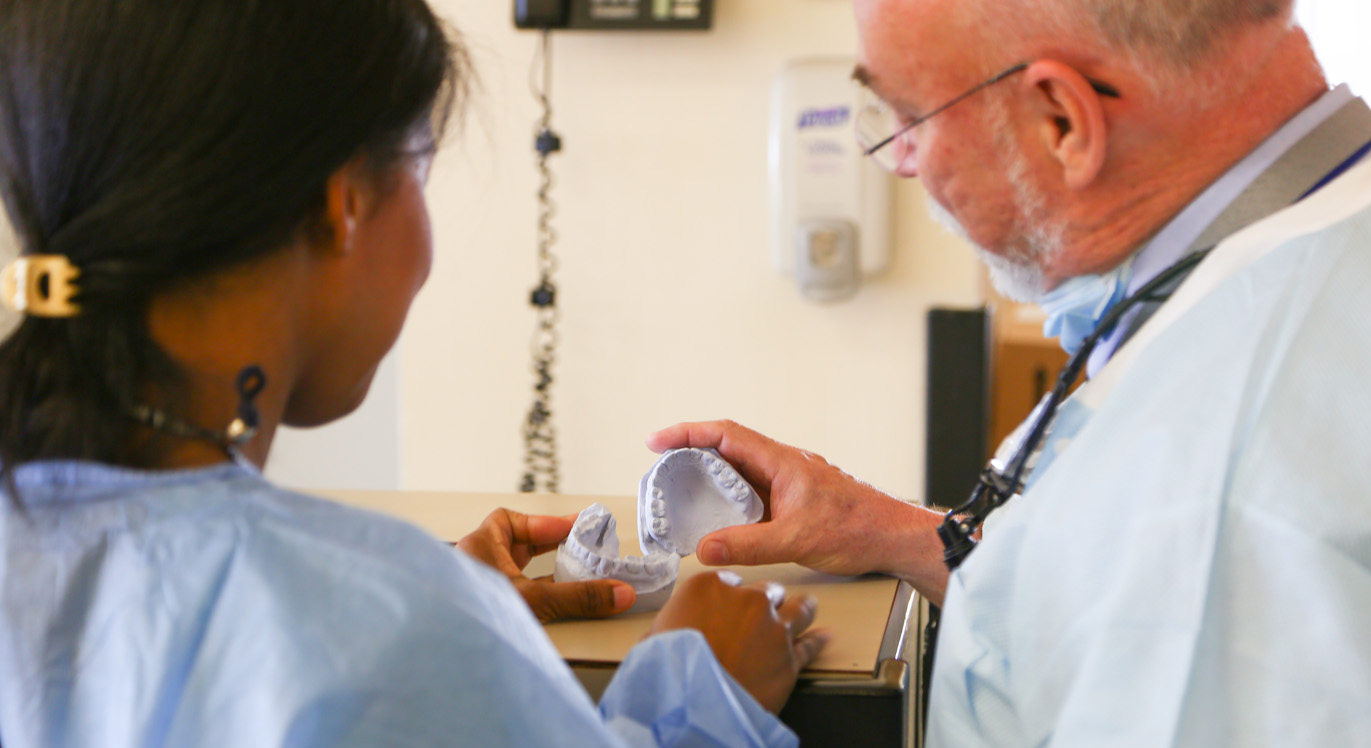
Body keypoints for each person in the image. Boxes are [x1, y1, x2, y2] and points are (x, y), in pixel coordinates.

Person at [0, 1, 825, 746]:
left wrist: (436, 626)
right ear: (345, 204)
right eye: (420, 171)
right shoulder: (388, 633)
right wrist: (696, 701)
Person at [650, 0, 1371, 744]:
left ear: (1062, 120)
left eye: (908, 118)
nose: (899, 162)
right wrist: (877, 529)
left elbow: (1175, 575)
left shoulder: (1209, 499)